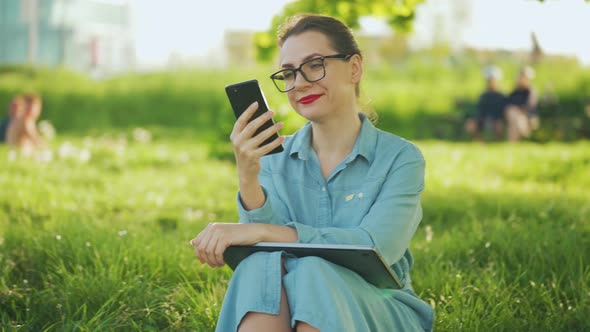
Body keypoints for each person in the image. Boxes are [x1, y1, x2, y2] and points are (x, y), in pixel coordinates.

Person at [190, 14, 433, 332]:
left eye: (315, 64)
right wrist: (248, 178)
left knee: (313, 271)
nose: (300, 82)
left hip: (379, 306)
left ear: (354, 68)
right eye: (289, 73)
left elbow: (376, 247)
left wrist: (266, 232)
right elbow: (266, 259)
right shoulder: (272, 159)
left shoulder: (401, 158)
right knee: (259, 267)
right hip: (288, 307)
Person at [465, 65, 506, 141]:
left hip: (496, 119)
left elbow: (502, 111)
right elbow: (480, 110)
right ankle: (480, 141)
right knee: (470, 124)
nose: (490, 82)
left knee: (499, 125)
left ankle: (496, 141)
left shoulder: (501, 95)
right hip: (483, 119)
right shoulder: (484, 95)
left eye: (492, 80)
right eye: (489, 80)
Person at [505, 66, 539, 142]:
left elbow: (529, 107)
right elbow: (508, 103)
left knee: (516, 120)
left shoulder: (531, 92)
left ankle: (513, 143)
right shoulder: (515, 91)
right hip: (514, 116)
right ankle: (517, 139)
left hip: (527, 116)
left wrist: (517, 110)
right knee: (514, 116)